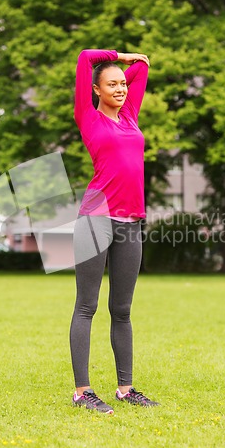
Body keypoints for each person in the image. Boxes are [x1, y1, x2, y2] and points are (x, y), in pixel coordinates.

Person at [69, 49, 159, 414]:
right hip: (96, 217)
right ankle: (82, 391)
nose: (121, 89)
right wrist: (121, 55)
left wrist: (133, 64)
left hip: (131, 221)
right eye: (112, 84)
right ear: (96, 90)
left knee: (122, 309)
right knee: (86, 306)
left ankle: (125, 388)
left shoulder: (130, 116)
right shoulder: (88, 118)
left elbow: (142, 69)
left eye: (123, 84)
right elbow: (84, 57)